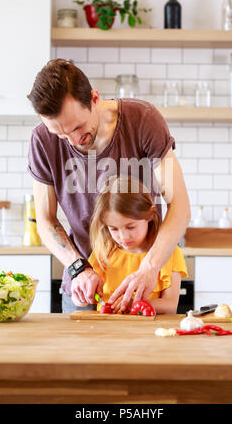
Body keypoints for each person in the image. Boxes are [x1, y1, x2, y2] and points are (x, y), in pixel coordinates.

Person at [27, 59, 191, 313]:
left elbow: (179, 205)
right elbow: (46, 221)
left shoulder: (143, 120)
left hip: (144, 281)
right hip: (85, 288)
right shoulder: (41, 140)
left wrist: (149, 268)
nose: (73, 141)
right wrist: (79, 268)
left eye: (78, 127)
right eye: (60, 135)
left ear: (94, 98)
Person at [72, 174, 188, 314]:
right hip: (107, 332)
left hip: (148, 332)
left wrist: (136, 304)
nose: (123, 236)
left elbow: (170, 305)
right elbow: (83, 299)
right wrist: (80, 296)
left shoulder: (170, 253)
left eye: (131, 227)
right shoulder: (104, 250)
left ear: (150, 215)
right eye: (113, 229)